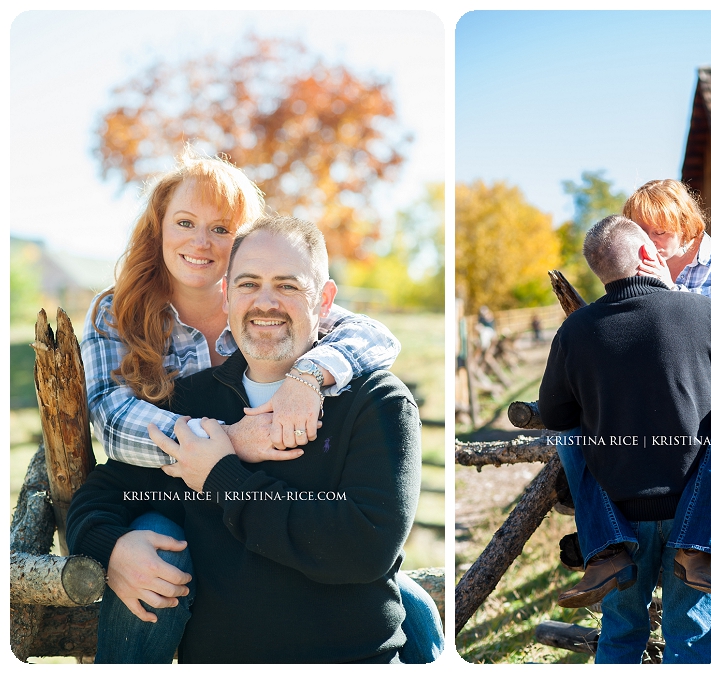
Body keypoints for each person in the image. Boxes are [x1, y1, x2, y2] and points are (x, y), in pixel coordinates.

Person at [79, 149, 441, 662]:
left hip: (346, 635)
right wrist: (221, 445)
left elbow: (373, 335)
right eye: (184, 223)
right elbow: (113, 429)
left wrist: (309, 376)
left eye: (222, 229)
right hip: (182, 495)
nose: (201, 241)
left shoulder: (360, 392)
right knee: (156, 543)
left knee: (406, 603)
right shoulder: (123, 317)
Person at [539, 215, 711, 663]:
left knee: (622, 633)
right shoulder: (699, 311)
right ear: (648, 255)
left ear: (600, 270)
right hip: (693, 507)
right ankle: (697, 544)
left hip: (621, 516)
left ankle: (603, 550)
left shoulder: (575, 332)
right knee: (688, 637)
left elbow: (555, 415)